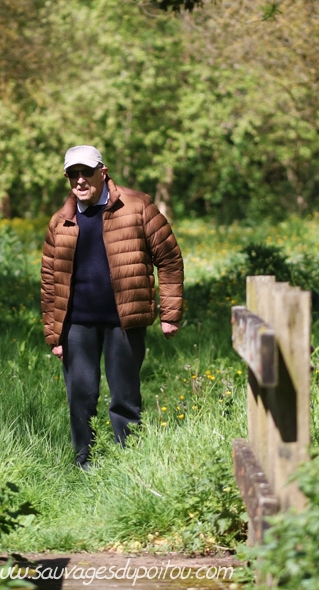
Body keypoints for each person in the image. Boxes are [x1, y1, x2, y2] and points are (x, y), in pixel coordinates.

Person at [41, 145, 184, 470]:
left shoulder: (138, 206)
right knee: (81, 397)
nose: (80, 180)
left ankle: (128, 463)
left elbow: (169, 259)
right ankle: (83, 464)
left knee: (125, 398)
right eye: (72, 174)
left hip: (125, 321)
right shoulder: (60, 221)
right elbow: (50, 282)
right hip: (77, 325)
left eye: (86, 172)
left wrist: (170, 313)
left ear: (102, 172)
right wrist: (55, 335)